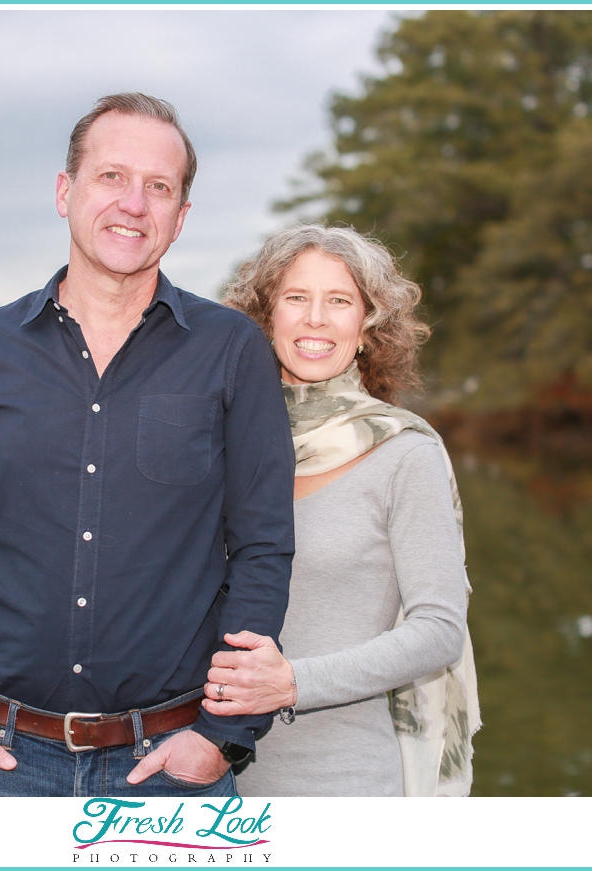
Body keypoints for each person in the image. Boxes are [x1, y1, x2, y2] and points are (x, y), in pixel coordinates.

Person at [0, 93, 295, 797]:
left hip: (170, 766)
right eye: (111, 177)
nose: (133, 204)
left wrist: (222, 737)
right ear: (64, 191)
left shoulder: (232, 352)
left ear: (181, 216)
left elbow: (261, 547)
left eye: (158, 187)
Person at [208, 224, 480, 797]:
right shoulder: (215, 444)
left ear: (367, 327)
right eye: (296, 298)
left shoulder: (405, 453)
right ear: (264, 317)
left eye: (339, 301)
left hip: (340, 783)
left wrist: (292, 684)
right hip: (194, 773)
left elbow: (438, 630)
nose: (315, 319)